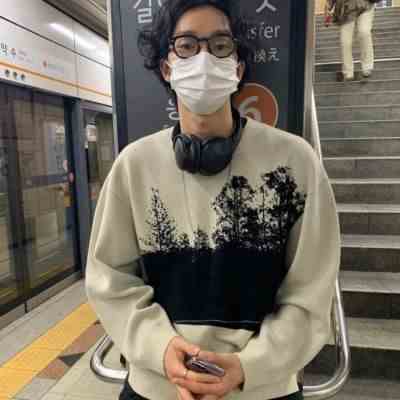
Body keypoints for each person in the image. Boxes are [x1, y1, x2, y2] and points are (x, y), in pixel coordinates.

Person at [85, 1, 341, 399]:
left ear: (237, 69)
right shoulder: (133, 166)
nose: (204, 58)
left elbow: (312, 291)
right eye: (187, 45)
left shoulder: (296, 162)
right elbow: (110, 279)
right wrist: (162, 349)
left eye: (220, 46)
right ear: (167, 68)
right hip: (157, 388)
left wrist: (248, 366)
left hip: (263, 390)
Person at [325, 0, 376, 81]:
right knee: (345, 41)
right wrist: (327, 10)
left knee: (364, 32)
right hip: (346, 10)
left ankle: (367, 66)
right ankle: (348, 71)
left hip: (365, 5)